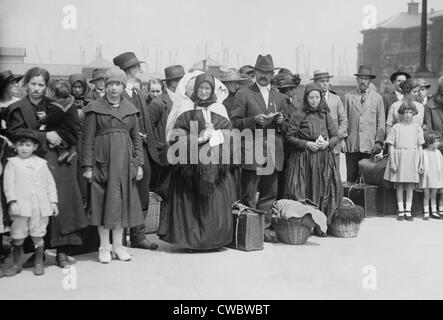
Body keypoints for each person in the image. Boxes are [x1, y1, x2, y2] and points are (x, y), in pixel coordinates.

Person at [6, 67, 88, 268]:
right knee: (34, 207)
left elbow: (71, 126)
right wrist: (44, 136)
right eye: (33, 84)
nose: (36, 88)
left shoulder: (55, 103)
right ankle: (37, 253)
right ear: (26, 85)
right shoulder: (18, 108)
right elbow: (15, 133)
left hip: (59, 158)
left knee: (62, 202)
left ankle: (62, 251)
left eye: (41, 84)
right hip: (30, 161)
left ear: (46, 86)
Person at [158, 72, 236, 250]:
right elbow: (176, 137)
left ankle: (214, 240)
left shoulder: (219, 110)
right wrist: (199, 139)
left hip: (214, 165)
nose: (204, 91)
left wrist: (215, 133)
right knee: (191, 202)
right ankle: (191, 241)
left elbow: (230, 135)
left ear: (212, 90)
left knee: (214, 203)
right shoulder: (186, 110)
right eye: (201, 87)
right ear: (196, 89)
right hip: (191, 167)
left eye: (207, 88)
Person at [81, 67, 145, 263]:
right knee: (102, 204)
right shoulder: (94, 108)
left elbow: (136, 140)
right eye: (109, 84)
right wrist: (88, 167)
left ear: (123, 86)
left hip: (125, 165)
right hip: (102, 164)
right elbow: (88, 140)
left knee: (120, 204)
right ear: (104, 86)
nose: (113, 88)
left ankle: (118, 246)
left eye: (117, 84)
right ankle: (104, 246)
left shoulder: (130, 110)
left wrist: (139, 164)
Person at [231, 54, 289, 243]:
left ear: (272, 74)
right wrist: (253, 121)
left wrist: (281, 122)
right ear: (254, 73)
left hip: (273, 150)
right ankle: (248, 231)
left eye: (268, 72)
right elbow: (234, 122)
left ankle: (263, 230)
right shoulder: (244, 93)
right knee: (248, 193)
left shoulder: (279, 96)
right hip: (252, 150)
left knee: (269, 194)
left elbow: (287, 127)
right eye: (261, 72)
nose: (264, 75)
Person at [283, 83, 342, 236]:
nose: (314, 101)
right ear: (306, 98)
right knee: (304, 190)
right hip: (303, 159)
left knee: (322, 190)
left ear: (321, 98)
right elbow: (289, 137)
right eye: (311, 97)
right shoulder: (299, 114)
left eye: (317, 97)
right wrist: (306, 144)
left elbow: (336, 135)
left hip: (322, 159)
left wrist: (328, 143)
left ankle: (321, 225)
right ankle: (304, 226)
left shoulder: (325, 114)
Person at [113, 51, 158, 250]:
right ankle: (120, 239)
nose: (141, 70)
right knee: (123, 193)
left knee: (142, 193)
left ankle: (138, 237)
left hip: (143, 151)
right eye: (138, 67)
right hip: (124, 151)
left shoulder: (139, 93)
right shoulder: (117, 94)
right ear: (130, 70)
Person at [3, 129, 58, 276]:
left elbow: (50, 184)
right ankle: (16, 264)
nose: (24, 148)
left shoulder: (41, 163)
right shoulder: (12, 163)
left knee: (38, 233)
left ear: (34, 147)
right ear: (15, 146)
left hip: (40, 205)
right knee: (18, 234)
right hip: (21, 205)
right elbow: (9, 184)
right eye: (20, 145)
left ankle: (38, 262)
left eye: (28, 145)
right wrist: (12, 202)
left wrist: (53, 202)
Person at [384, 99, 424, 221]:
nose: (407, 114)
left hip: (412, 157)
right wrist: (393, 161)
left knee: (410, 185)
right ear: (402, 113)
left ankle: (408, 210)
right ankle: (401, 210)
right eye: (405, 112)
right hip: (399, 156)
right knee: (400, 185)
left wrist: (420, 163)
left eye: (410, 112)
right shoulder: (396, 127)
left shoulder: (417, 128)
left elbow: (420, 146)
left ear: (413, 113)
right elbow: (391, 145)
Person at [148, 65, 185, 197]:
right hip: (163, 157)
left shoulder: (183, 101)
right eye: (182, 81)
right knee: (162, 192)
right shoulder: (158, 104)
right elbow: (148, 130)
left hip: (180, 154)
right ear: (174, 83)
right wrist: (159, 148)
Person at [344, 65, 385, 183]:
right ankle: (351, 201)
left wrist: (379, 141)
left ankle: (365, 202)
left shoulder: (377, 98)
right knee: (351, 178)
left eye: (366, 79)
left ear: (370, 81)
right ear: (357, 80)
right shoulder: (348, 97)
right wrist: (343, 140)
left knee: (367, 179)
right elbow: (344, 120)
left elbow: (381, 123)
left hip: (370, 145)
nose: (363, 81)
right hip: (352, 144)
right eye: (361, 78)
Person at [312, 70, 348, 168]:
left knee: (333, 177)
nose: (325, 84)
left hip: (334, 147)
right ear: (315, 82)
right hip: (317, 146)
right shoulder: (311, 99)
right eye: (321, 81)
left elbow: (344, 121)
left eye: (327, 81)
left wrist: (336, 138)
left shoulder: (336, 99)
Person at [41, 79, 78, 163]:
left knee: (50, 132)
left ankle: (62, 151)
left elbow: (52, 118)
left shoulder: (59, 106)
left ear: (54, 93)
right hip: (73, 128)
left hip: (66, 131)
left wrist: (42, 119)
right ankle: (71, 150)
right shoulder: (69, 100)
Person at [419, 133, 443, 220]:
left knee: (433, 195)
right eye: (436, 142)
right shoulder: (423, 152)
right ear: (429, 142)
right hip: (426, 177)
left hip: (436, 177)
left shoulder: (438, 153)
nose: (438, 143)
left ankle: (433, 211)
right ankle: (426, 212)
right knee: (426, 196)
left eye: (438, 141)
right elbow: (421, 164)